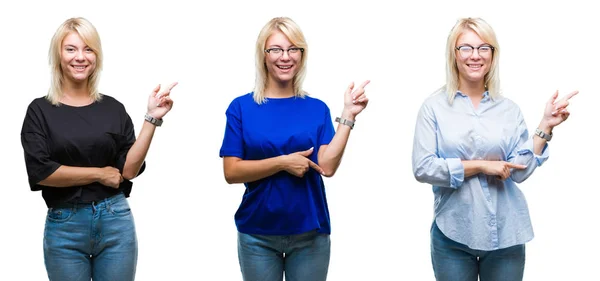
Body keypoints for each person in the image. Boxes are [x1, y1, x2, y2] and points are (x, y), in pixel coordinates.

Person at [411, 17, 578, 281]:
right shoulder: (434, 108)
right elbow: (423, 168)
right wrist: (480, 166)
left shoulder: (508, 109)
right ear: (453, 55)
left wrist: (546, 125)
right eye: (465, 47)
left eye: (483, 48)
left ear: (492, 55)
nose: (475, 56)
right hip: (453, 232)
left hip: (506, 232)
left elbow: (519, 172)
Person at [20, 17, 176, 281]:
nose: (80, 57)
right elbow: (41, 172)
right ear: (58, 55)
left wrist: (152, 119)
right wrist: (99, 174)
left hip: (115, 221)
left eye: (88, 49)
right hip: (64, 227)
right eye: (71, 49)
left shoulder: (113, 108)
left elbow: (128, 170)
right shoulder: (40, 111)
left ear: (97, 56)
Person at [219, 17, 369, 281]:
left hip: (310, 232)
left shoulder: (317, 108)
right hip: (257, 233)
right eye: (276, 49)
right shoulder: (241, 107)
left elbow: (328, 166)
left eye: (293, 49)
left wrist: (348, 116)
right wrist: (282, 162)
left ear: (302, 55)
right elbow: (231, 172)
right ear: (263, 56)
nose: (285, 57)